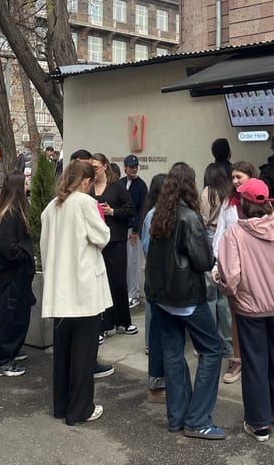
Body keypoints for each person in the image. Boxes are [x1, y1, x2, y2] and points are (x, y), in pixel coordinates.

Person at [217, 178, 274, 443]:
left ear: (242, 203)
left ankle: (259, 423)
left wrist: (220, 284)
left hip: (249, 309)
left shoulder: (234, 234)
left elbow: (231, 278)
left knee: (255, 364)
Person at [145, 162, 225, 440]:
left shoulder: (159, 215)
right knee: (212, 350)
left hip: (163, 298)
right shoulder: (189, 217)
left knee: (173, 354)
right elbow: (203, 260)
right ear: (190, 185)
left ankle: (177, 418)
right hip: (187, 298)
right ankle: (198, 419)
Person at [40, 160, 112, 425]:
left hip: (60, 290)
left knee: (63, 354)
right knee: (83, 354)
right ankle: (80, 410)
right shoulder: (84, 203)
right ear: (84, 182)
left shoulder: (51, 206)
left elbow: (45, 246)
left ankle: (62, 405)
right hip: (83, 290)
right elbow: (102, 236)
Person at [211, 160, 258, 385]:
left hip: (257, 268)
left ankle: (257, 357)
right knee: (236, 314)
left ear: (252, 177)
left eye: (240, 176)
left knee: (257, 314)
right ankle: (237, 358)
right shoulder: (228, 203)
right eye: (234, 177)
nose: (236, 180)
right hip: (233, 266)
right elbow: (220, 233)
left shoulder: (261, 202)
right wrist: (217, 264)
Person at [0, 171, 35, 377]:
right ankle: (3, 361)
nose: (27, 186)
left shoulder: (9, 210)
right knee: (12, 316)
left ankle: (10, 351)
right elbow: (6, 246)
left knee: (14, 314)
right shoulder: (11, 213)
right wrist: (23, 256)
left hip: (13, 274)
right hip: (12, 274)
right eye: (25, 183)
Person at [89, 153, 136, 338]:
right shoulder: (89, 188)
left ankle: (124, 321)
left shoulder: (117, 187)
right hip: (96, 241)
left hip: (115, 240)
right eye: (91, 168)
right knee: (100, 283)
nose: (94, 171)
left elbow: (130, 209)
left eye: (96, 168)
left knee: (117, 281)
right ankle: (102, 324)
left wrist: (112, 211)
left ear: (105, 166)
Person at [200, 164, 234, 380]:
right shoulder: (230, 194)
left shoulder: (206, 193)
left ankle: (213, 342)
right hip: (229, 241)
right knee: (225, 297)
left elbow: (203, 220)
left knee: (210, 296)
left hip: (211, 236)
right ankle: (230, 344)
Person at [141, 173, 167, 402]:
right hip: (155, 273)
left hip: (156, 272)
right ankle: (150, 343)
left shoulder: (157, 213)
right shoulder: (152, 215)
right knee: (152, 311)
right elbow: (147, 246)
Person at [120, 154, 148, 309]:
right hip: (120, 227)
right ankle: (125, 292)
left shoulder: (141, 186)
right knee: (123, 262)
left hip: (132, 229)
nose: (134, 169)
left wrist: (136, 230)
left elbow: (142, 209)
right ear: (125, 167)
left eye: (135, 166)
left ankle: (133, 294)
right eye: (131, 166)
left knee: (133, 262)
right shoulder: (121, 183)